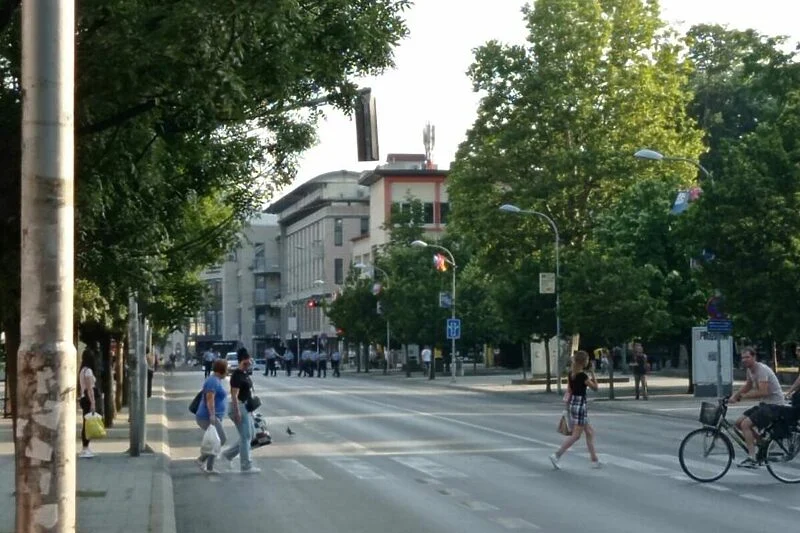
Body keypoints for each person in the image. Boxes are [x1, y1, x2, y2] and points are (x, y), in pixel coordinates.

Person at [729, 347, 787, 468]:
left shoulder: (761, 370)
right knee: (739, 423)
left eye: (747, 357)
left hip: (775, 405)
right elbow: (748, 385)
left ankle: (752, 458)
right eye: (743, 357)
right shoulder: (750, 370)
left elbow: (763, 392)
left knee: (745, 425)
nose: (744, 360)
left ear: (754, 357)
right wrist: (735, 396)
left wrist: (744, 397)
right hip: (766, 404)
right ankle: (761, 442)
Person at [550, 350, 601, 470]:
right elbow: (595, 388)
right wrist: (593, 373)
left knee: (589, 432)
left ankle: (594, 460)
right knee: (576, 435)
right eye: (587, 360)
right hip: (580, 405)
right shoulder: (583, 376)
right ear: (583, 362)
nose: (588, 361)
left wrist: (567, 406)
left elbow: (569, 390)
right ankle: (556, 455)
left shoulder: (571, 374)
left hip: (573, 403)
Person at [221, 348, 260, 473]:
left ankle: (227, 455)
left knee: (251, 435)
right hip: (238, 406)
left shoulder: (244, 374)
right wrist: (237, 411)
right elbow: (234, 395)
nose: (248, 365)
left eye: (249, 362)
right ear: (240, 361)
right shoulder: (237, 375)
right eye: (245, 363)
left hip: (246, 407)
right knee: (246, 436)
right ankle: (246, 465)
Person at [195, 358, 228, 474]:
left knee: (216, 440)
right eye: (226, 369)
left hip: (213, 416)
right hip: (207, 416)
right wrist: (212, 415)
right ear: (222, 370)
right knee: (220, 439)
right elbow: (210, 399)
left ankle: (207, 465)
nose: (227, 372)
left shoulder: (216, 380)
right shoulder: (213, 381)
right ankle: (203, 461)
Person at [79, 349, 99, 458]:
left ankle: (86, 447)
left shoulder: (82, 370)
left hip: (83, 398)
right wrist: (93, 402)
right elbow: (90, 388)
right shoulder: (88, 371)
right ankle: (85, 448)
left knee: (86, 423)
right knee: (87, 424)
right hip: (87, 400)